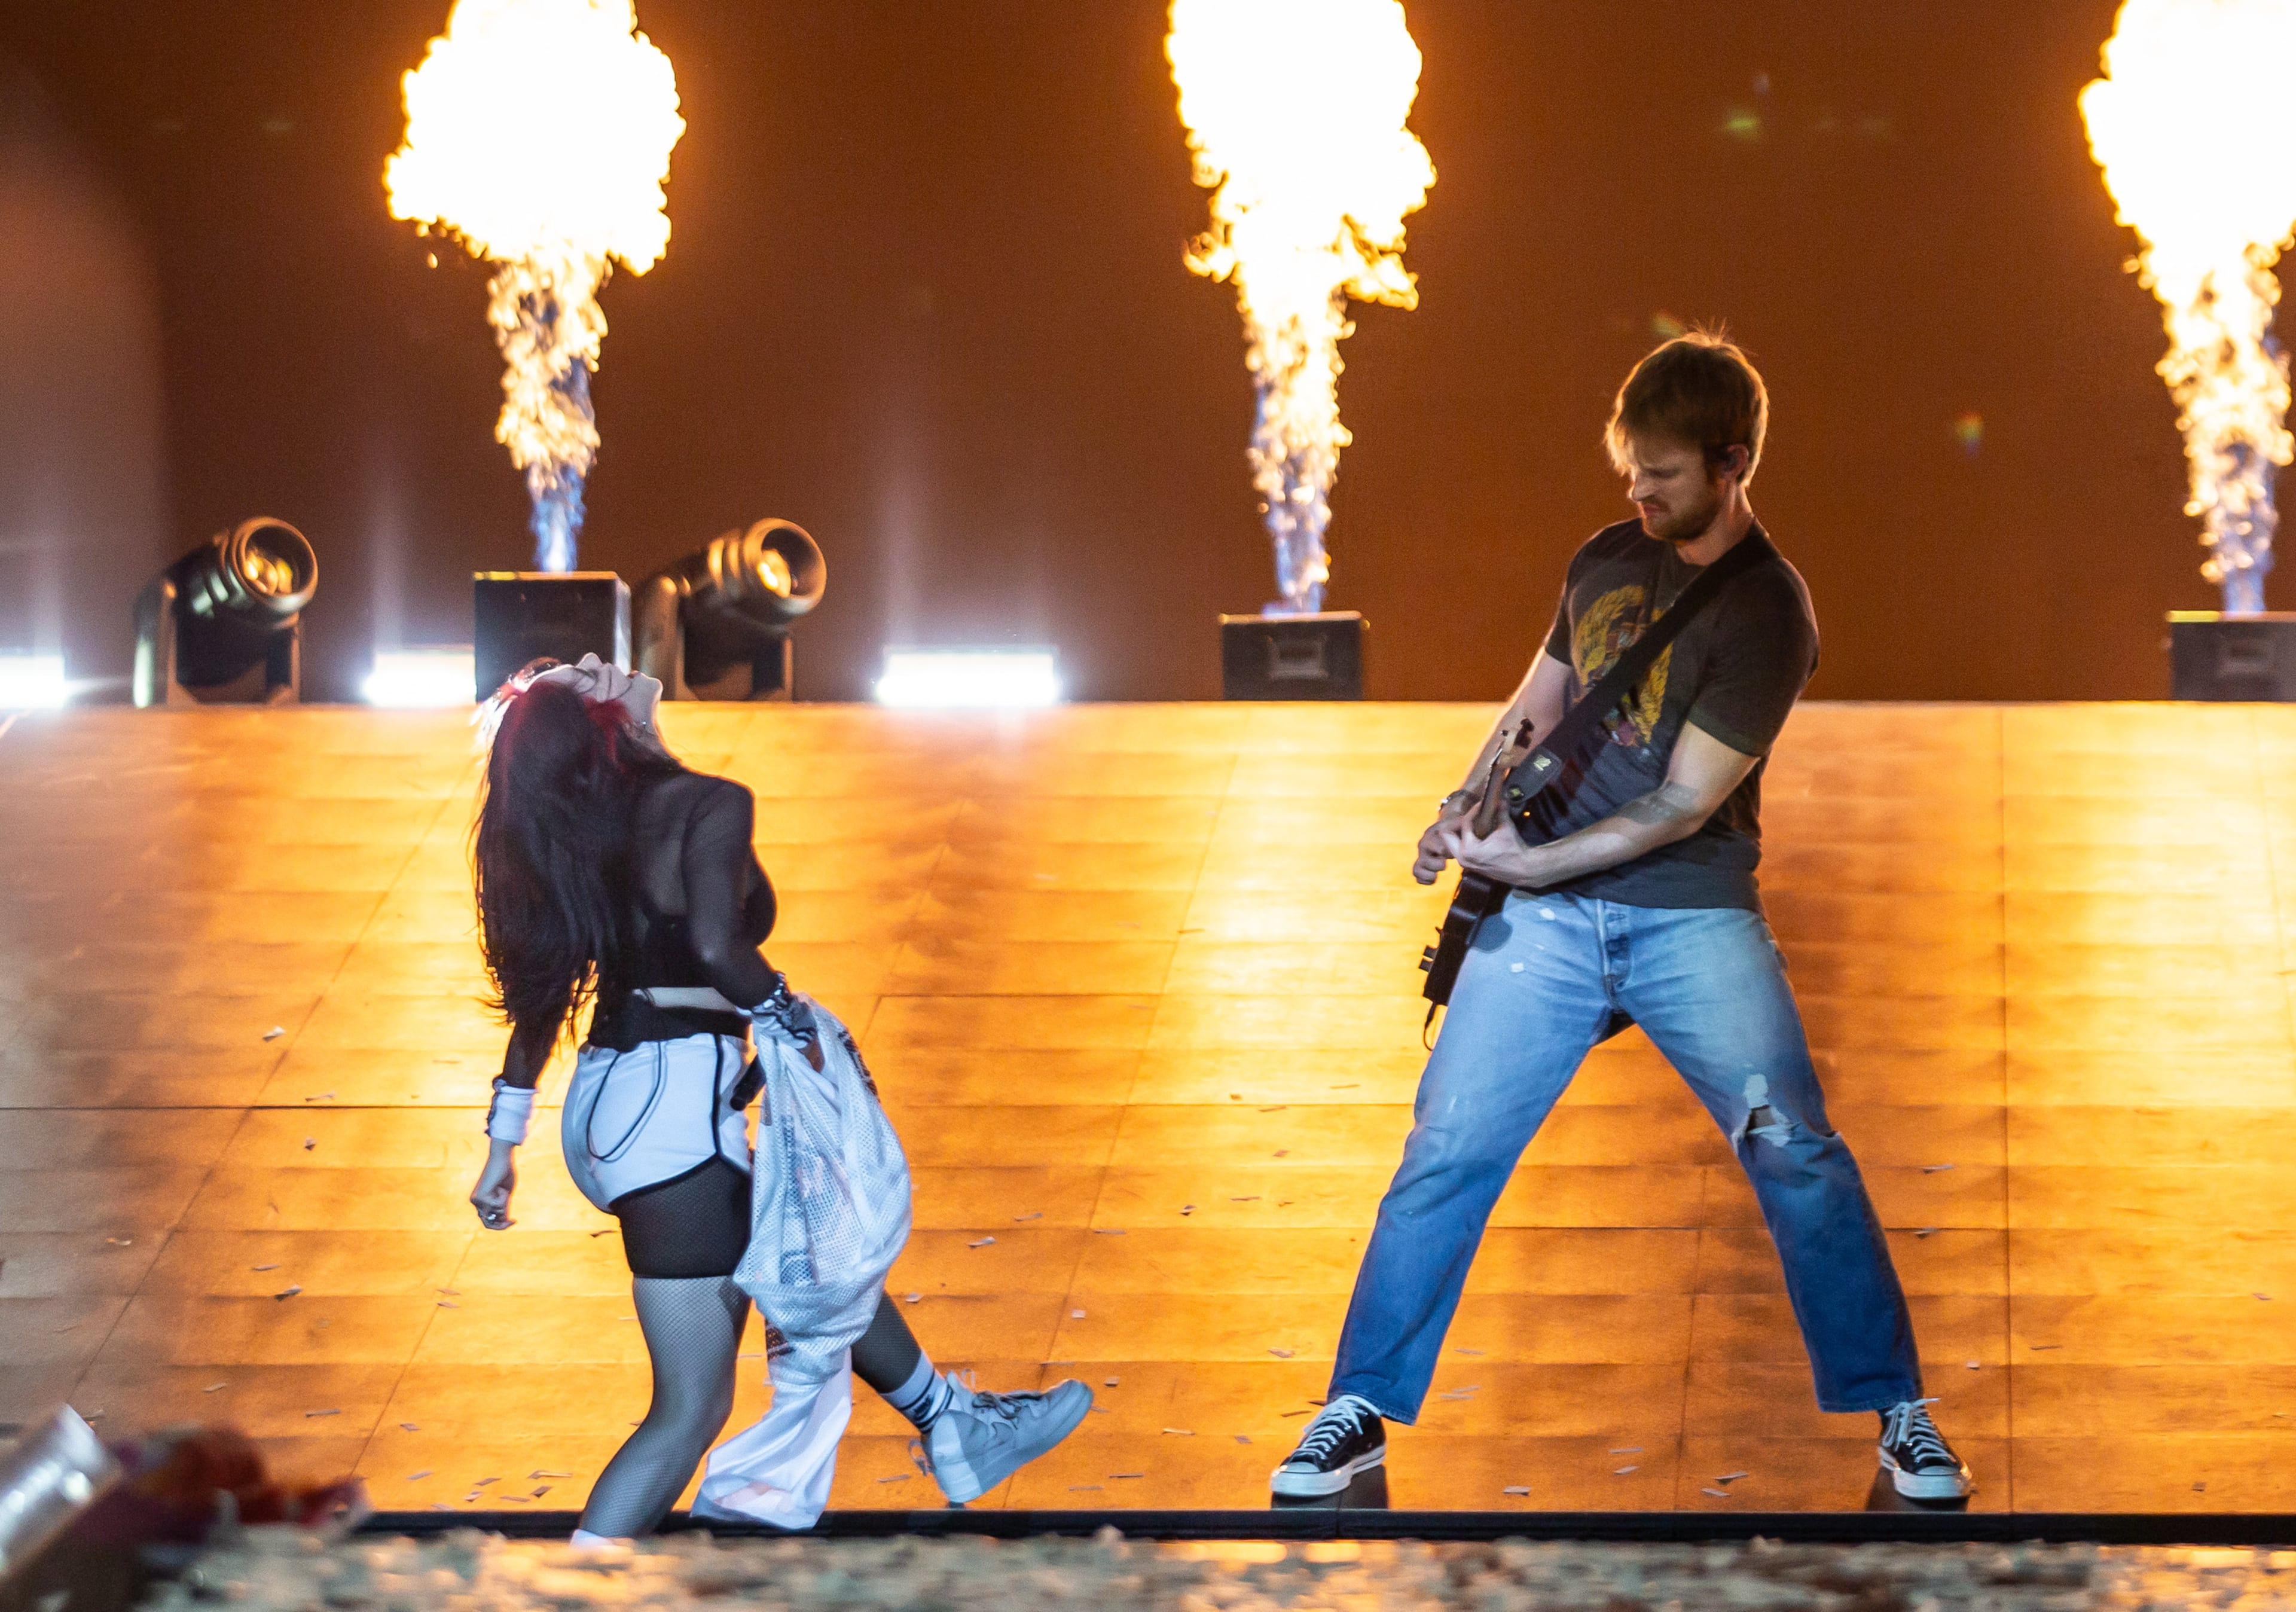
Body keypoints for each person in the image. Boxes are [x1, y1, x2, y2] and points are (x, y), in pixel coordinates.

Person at [1270, 334, 1971, 1505]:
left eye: (1662, 474)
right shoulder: (1603, 558)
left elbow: (1681, 803)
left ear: (1733, 461)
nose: (1636, 493)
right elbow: (1534, 711)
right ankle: (1358, 1409)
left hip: (1689, 915)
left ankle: (1901, 1416)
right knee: (1444, 1151)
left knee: (1794, 1147)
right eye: (1629, 469)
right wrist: (1465, 807)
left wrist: (1528, 870)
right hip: (1543, 923)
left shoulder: (1768, 613)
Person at [465, 657, 1089, 1538]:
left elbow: (543, 1000)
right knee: (688, 1408)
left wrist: (506, 1137)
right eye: (595, 672)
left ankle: (952, 1424)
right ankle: (575, 1587)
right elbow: (719, 947)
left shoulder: (593, 829)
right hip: (673, 1106)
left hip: (620, 1105)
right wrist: (791, 1018)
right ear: (607, 720)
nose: (611, 660)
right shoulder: (703, 803)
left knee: (818, 1259)